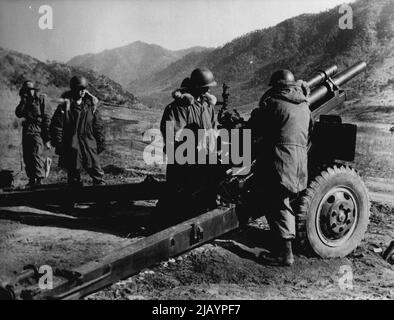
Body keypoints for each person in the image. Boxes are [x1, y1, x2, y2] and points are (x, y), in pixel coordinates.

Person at [247, 69, 313, 266]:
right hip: (299, 163)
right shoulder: (305, 107)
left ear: (277, 86)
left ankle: (285, 255)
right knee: (282, 202)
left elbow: (254, 130)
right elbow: (309, 133)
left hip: (280, 162)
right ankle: (280, 245)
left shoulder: (272, 103)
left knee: (278, 203)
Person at [158, 68, 218, 221]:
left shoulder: (207, 106)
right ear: (197, 86)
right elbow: (174, 136)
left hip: (203, 160)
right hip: (183, 163)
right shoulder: (178, 107)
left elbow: (213, 129)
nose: (209, 89)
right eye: (206, 87)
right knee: (177, 199)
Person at [50, 76, 105, 186]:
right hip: (72, 145)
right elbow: (57, 127)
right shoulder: (64, 107)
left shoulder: (91, 107)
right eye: (80, 89)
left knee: (97, 174)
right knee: (74, 176)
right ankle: (72, 199)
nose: (83, 92)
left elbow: (98, 126)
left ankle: (101, 199)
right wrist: (59, 144)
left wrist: (100, 141)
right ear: (74, 89)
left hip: (89, 144)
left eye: (84, 89)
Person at [15, 80, 51, 187]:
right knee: (27, 155)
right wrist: (23, 100)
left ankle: (39, 179)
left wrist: (47, 137)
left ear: (34, 90)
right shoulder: (25, 101)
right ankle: (31, 178)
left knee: (36, 154)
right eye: (26, 90)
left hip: (38, 130)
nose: (29, 92)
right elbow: (18, 113)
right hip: (27, 131)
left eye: (31, 90)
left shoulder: (41, 99)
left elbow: (47, 118)